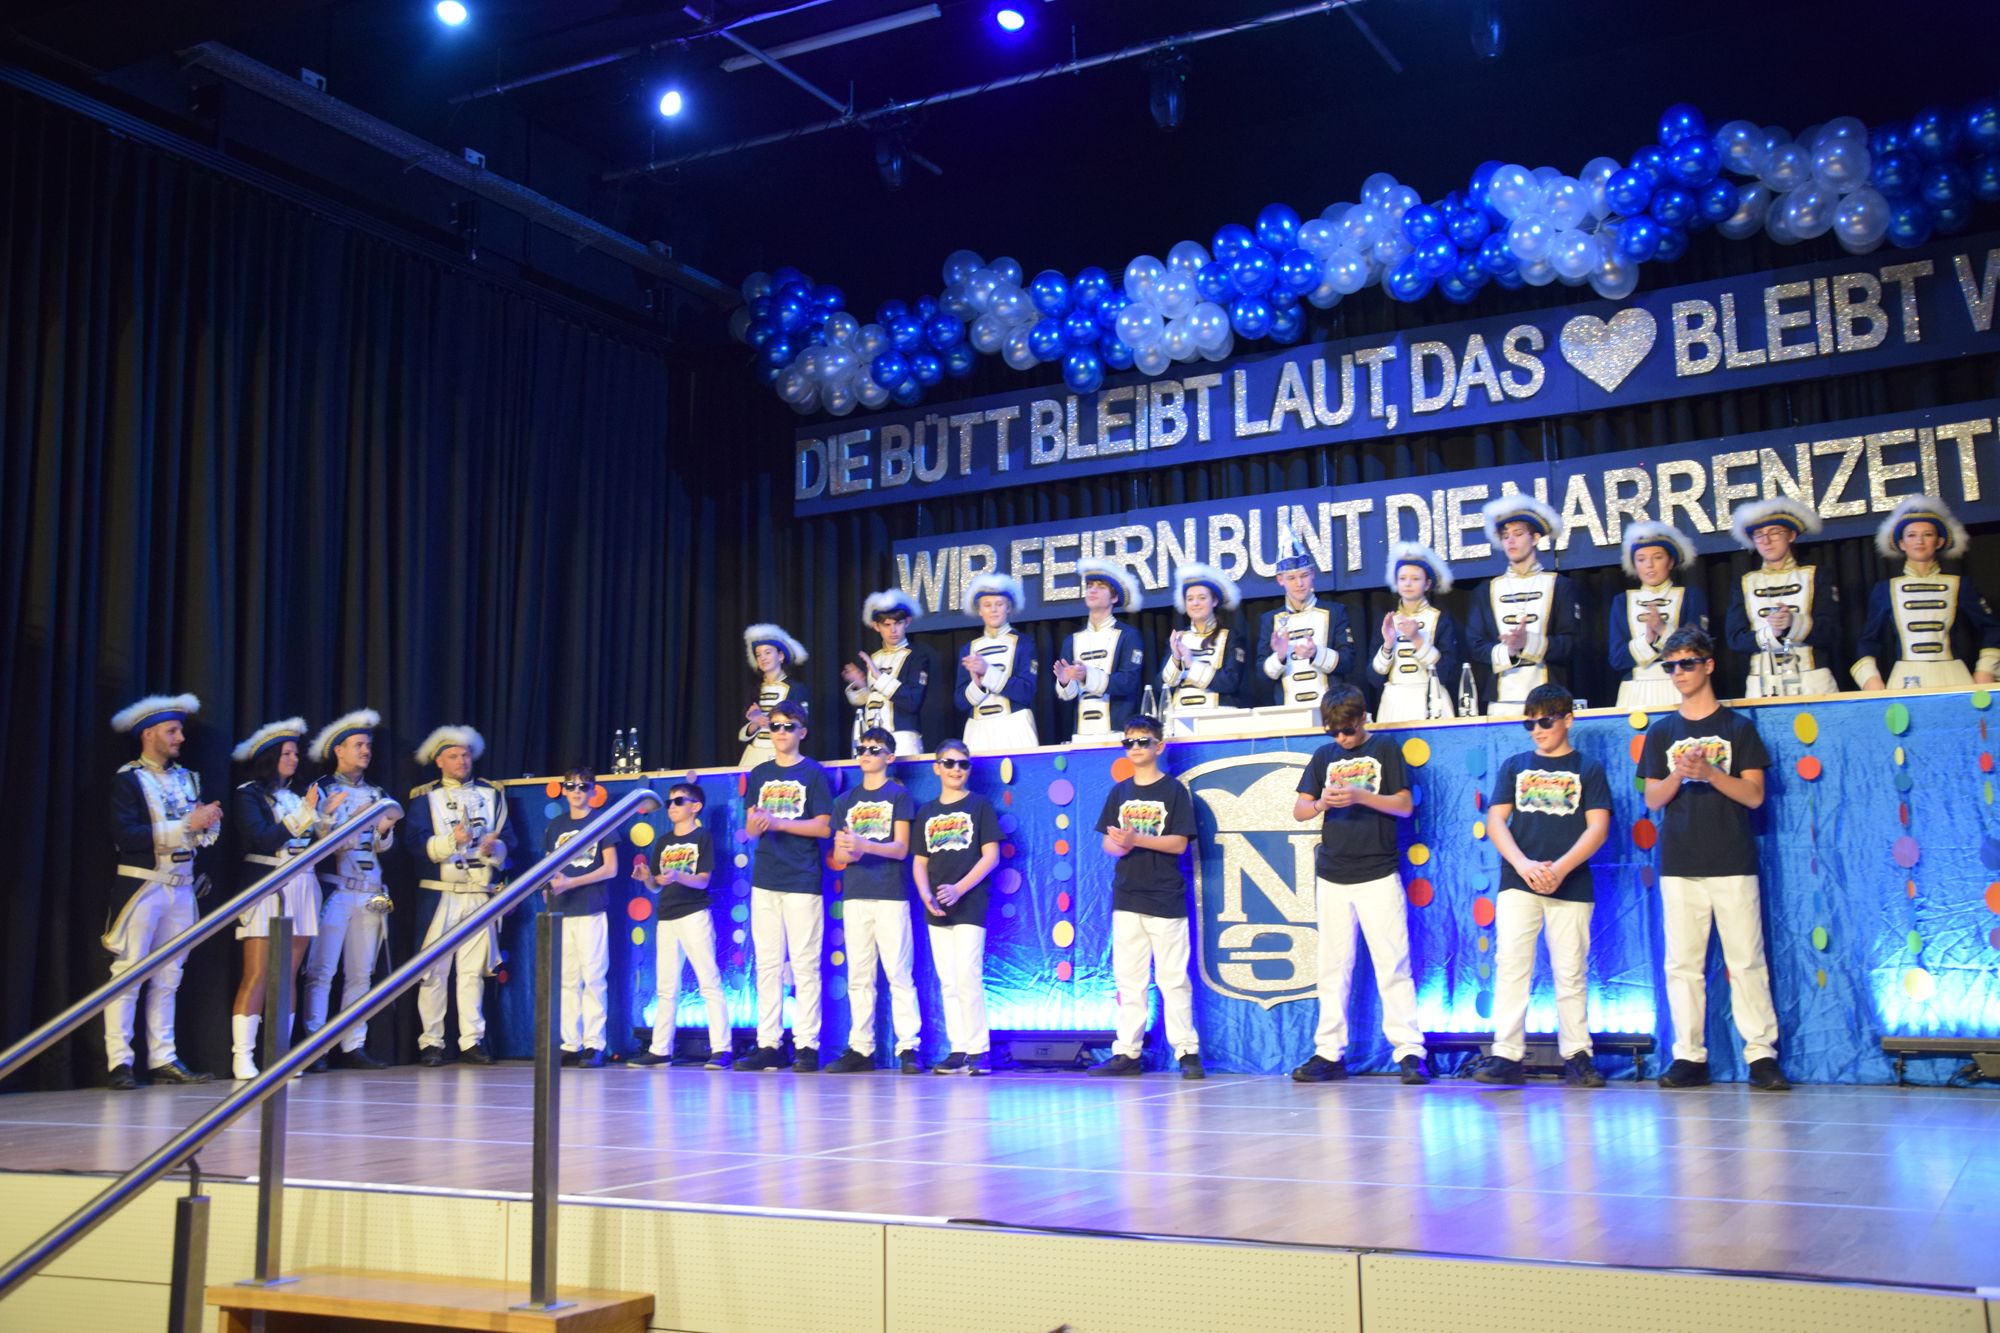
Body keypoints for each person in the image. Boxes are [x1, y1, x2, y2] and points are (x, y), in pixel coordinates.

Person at [1640, 627, 1789, 1091]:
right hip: (1680, 862)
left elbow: (1755, 795)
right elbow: (1652, 798)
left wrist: (1710, 773)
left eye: (1687, 663)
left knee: (1746, 961)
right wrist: (1680, 775)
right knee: (1682, 965)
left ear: (1708, 665)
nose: (1678, 673)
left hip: (1732, 859)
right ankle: (1689, 1056)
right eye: (1671, 666)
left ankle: (1761, 1055)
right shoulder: (1661, 732)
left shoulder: (1737, 728)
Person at [1473, 684, 1612, 1088]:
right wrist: (1524, 865)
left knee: (1571, 971)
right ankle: (1506, 1054)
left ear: (1568, 720)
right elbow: (1496, 821)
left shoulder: (1588, 768)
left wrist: (1561, 868)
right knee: (1512, 966)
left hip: (1572, 881)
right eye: (1530, 723)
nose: (1537, 730)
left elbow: (1598, 827)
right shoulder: (1515, 766)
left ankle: (1577, 1055)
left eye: (1545, 721)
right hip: (1519, 880)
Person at [1289, 686, 1429, 1085]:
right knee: (1332, 967)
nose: (1341, 738)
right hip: (1333, 873)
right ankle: (1328, 1051)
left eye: (1347, 731)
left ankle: (1409, 1050)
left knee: (1393, 963)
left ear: (1363, 719)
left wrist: (1360, 796)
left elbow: (1404, 805)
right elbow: (1300, 810)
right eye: (1333, 731)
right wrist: (1322, 803)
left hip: (1378, 871)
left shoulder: (1384, 749)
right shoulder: (1324, 756)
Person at [104, 693, 221, 1088]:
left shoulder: (188, 778)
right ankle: (119, 1062)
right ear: (148, 734)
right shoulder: (129, 779)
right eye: (172, 731)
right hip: (144, 887)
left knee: (170, 976)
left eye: (180, 731)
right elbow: (126, 835)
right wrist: (186, 826)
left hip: (183, 888)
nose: (180, 738)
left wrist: (207, 823)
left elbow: (199, 834)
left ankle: (163, 1058)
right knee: (128, 974)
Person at [1089, 715, 1204, 1079]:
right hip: (1127, 896)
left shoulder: (1173, 791)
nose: (1136, 748)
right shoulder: (1119, 792)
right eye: (1129, 742)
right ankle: (1127, 1051)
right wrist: (1122, 844)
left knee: (1173, 979)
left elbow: (1180, 843)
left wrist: (1136, 839)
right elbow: (1108, 844)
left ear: (1159, 746)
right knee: (1130, 980)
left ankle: (1186, 1051)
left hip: (1165, 896)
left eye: (1143, 741)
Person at [300, 709, 402, 1072]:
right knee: (322, 970)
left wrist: (384, 831)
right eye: (358, 745)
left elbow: (382, 847)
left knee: (361, 972)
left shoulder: (377, 792)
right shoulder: (322, 789)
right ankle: (314, 1044)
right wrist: (345, 822)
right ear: (339, 750)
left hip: (370, 890)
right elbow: (314, 841)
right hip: (336, 889)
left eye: (368, 745)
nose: (365, 751)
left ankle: (353, 1043)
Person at [407, 725, 515, 1066]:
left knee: (472, 971)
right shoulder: (425, 797)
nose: (461, 761)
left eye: (465, 755)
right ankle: (431, 1042)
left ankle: (472, 1040)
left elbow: (509, 841)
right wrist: (451, 840)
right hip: (440, 895)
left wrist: (496, 847)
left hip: (478, 894)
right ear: (439, 761)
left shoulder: (492, 794)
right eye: (453, 756)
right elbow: (415, 843)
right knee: (433, 970)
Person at [739, 700, 835, 1072]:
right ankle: (769, 1044)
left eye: (788, 726)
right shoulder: (760, 773)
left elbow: (824, 827)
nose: (780, 732)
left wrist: (779, 823)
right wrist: (758, 824)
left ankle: (807, 1044)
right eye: (775, 726)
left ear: (802, 732)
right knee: (767, 965)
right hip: (766, 878)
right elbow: (750, 829)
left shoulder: (813, 773)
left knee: (805, 965)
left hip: (801, 878)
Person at [826, 727, 923, 1073]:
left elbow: (901, 848)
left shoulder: (898, 796)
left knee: (899, 972)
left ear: (889, 757)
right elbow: (839, 855)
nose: (866, 754)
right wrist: (850, 851)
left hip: (890, 894)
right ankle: (861, 1048)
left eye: (874, 749)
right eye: (862, 748)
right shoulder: (845, 801)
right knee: (859, 975)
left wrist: (864, 845)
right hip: (856, 895)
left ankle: (908, 1047)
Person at [229, 717, 319, 1081]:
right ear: (269, 757)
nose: (294, 759)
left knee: (288, 976)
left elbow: (311, 842)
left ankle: (279, 1054)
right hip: (267, 882)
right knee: (259, 972)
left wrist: (325, 816)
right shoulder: (248, 793)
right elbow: (263, 838)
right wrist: (306, 814)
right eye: (286, 753)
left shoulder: (298, 796)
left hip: (303, 884)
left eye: (296, 753)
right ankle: (242, 1055)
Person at [914, 738, 1001, 1075]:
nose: (956, 769)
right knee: (948, 980)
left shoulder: (980, 806)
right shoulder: (927, 812)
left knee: (967, 974)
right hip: (937, 906)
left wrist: (959, 888)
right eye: (949, 763)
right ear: (937, 768)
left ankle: (979, 1050)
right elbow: (920, 861)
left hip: (970, 902)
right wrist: (926, 893)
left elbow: (991, 856)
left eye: (962, 764)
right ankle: (959, 1048)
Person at [1853, 494, 2000, 691]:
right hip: (1906, 677)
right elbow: (1868, 640)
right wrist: (1870, 679)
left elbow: (1992, 629)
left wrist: (1985, 669)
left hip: (1953, 676)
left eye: (1928, 535)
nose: (1919, 541)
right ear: (1902, 543)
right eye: (1911, 535)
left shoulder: (1958, 585)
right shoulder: (1886, 589)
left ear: (1939, 542)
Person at [633, 782, 732, 1070]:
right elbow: (656, 885)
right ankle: (660, 1049)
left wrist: (678, 876)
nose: (672, 807)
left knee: (709, 982)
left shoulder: (702, 837)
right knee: (666, 987)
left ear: (695, 807)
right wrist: (647, 877)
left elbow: (703, 880)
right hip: (667, 916)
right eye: (670, 802)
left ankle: (721, 1048)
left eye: (679, 801)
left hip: (694, 914)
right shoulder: (664, 841)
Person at [1468, 493, 1581, 716]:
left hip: (1549, 696)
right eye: (1505, 536)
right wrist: (1508, 650)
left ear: (1535, 538)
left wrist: (1528, 642)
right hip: (1501, 700)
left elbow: (1572, 643)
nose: (1510, 541)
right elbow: (1475, 645)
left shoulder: (1560, 585)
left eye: (1518, 534)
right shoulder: (1485, 590)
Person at [1724, 497, 1838, 698]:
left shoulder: (1815, 575)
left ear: (1791, 535)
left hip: (1812, 680)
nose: (1766, 541)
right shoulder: (1745, 582)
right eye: (1759, 535)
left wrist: (1794, 622)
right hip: (1762, 684)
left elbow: (1832, 632)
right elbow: (1735, 639)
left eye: (1775, 532)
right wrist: (1772, 633)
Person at [542, 767, 615, 1068]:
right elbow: (548, 866)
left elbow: (611, 868)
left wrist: (572, 882)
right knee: (567, 979)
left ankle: (594, 1043)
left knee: (594, 977)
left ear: (593, 790)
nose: (576, 791)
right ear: (563, 790)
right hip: (562, 909)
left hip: (590, 907)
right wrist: (548, 887)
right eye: (570, 786)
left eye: (583, 786)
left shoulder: (602, 821)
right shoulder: (555, 825)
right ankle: (570, 1043)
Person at [1609, 521, 1709, 711]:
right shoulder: (1622, 601)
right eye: (1641, 559)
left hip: (1680, 685)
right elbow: (1617, 659)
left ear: (1670, 562)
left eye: (1657, 557)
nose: (1649, 565)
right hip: (1634, 691)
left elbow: (1700, 648)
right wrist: (1648, 639)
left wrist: (1663, 630)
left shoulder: (1690, 596)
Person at [1256, 527, 1355, 711]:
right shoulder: (1270, 620)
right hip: (1288, 712)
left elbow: (1348, 662)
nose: (1299, 583)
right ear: (1280, 580)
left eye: (1304, 576)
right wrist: (1279, 656)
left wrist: (1316, 653)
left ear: (1313, 574)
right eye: (1291, 578)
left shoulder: (1335, 612)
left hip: (1330, 711)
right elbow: (1261, 675)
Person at [1053, 560, 1146, 742]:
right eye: (1089, 586)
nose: (1092, 590)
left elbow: (1129, 682)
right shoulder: (1072, 640)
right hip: (1081, 735)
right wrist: (1065, 682)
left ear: (1114, 598)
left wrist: (1086, 675)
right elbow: (1068, 695)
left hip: (1119, 733)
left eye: (1101, 587)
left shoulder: (1128, 635)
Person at [1368, 543, 1460, 722]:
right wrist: (1387, 645)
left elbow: (1447, 672)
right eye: (1402, 578)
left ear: (1427, 584)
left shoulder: (1439, 618)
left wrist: (1417, 639)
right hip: (1394, 703)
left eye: (1415, 579)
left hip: (1431, 698)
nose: (1408, 583)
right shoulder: (1387, 620)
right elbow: (1374, 678)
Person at [842, 589, 933, 757]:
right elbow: (870, 701)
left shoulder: (917, 656)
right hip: (871, 738)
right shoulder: (874, 657)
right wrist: (861, 686)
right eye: (887, 625)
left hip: (903, 738)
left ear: (907, 622)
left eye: (897, 623)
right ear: (876, 626)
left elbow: (912, 701)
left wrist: (879, 677)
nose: (893, 630)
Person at [954, 572, 1039, 750]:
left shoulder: (1024, 643)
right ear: (979, 610)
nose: (993, 610)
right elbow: (960, 702)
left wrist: (987, 672)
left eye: (999, 604)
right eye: (987, 605)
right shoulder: (968, 648)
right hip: (977, 730)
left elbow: (1026, 692)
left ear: (1008, 607)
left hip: (1015, 725)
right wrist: (977, 685)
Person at [1161, 563, 1247, 710]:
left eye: (1202, 598)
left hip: (1219, 714)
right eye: (1190, 599)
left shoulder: (1231, 637)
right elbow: (1163, 686)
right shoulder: (1179, 638)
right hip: (1180, 714)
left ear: (1214, 601)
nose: (1195, 603)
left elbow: (1230, 682)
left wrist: (1191, 664)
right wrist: (1176, 657)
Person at [738, 624, 812, 768]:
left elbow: (804, 730)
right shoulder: (754, 690)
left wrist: (771, 723)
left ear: (780, 656)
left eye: (767, 652)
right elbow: (742, 735)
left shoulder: (796, 689)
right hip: (753, 755)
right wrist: (756, 723)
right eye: (758, 655)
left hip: (781, 755)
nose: (763, 658)